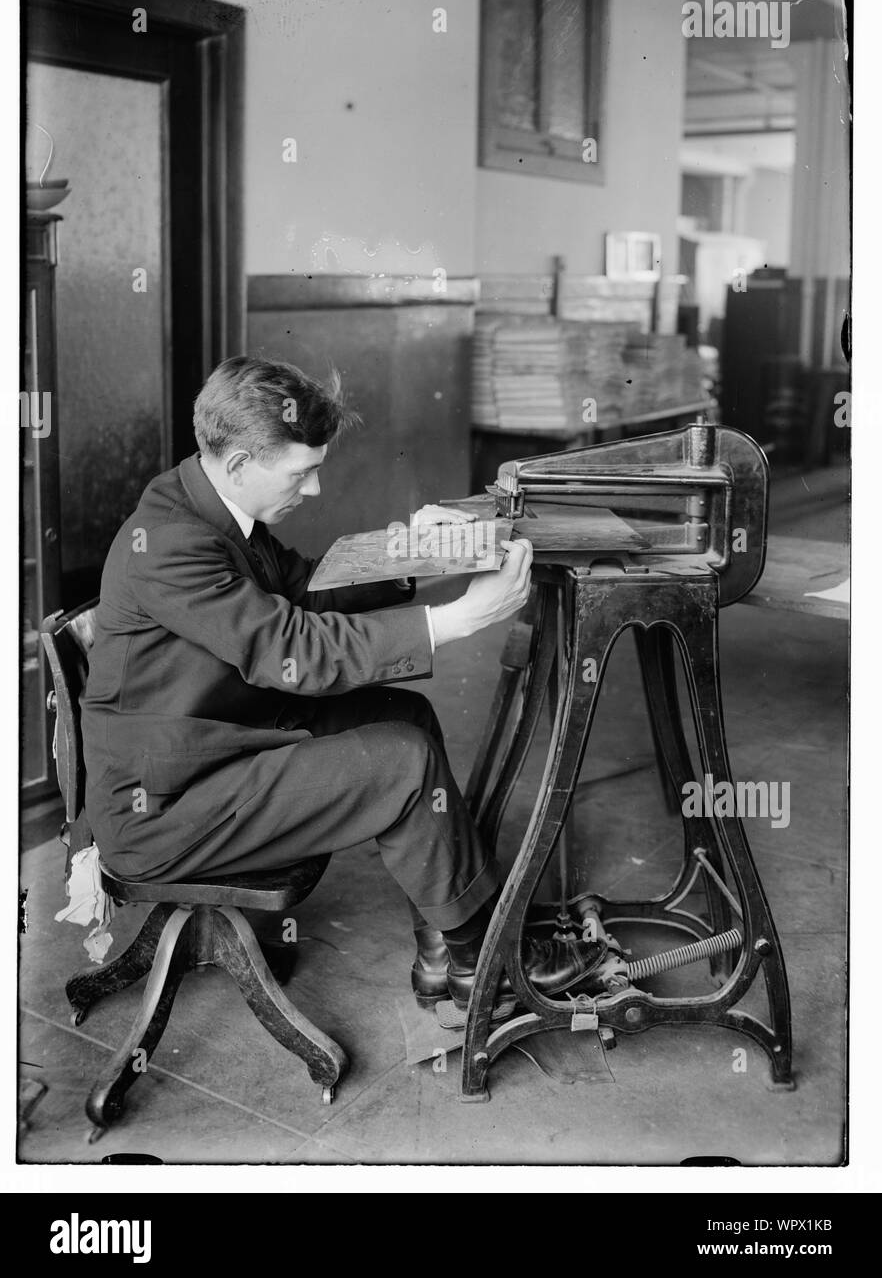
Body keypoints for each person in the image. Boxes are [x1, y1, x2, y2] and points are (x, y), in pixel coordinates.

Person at [81, 356, 603, 1012]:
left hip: (209, 747)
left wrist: (419, 551)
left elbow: (306, 591)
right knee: (402, 765)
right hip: (163, 811)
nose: (318, 488)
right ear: (240, 465)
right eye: (302, 471)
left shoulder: (208, 504)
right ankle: (486, 961)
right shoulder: (169, 542)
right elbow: (293, 647)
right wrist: (461, 618)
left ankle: (449, 943)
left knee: (402, 714)